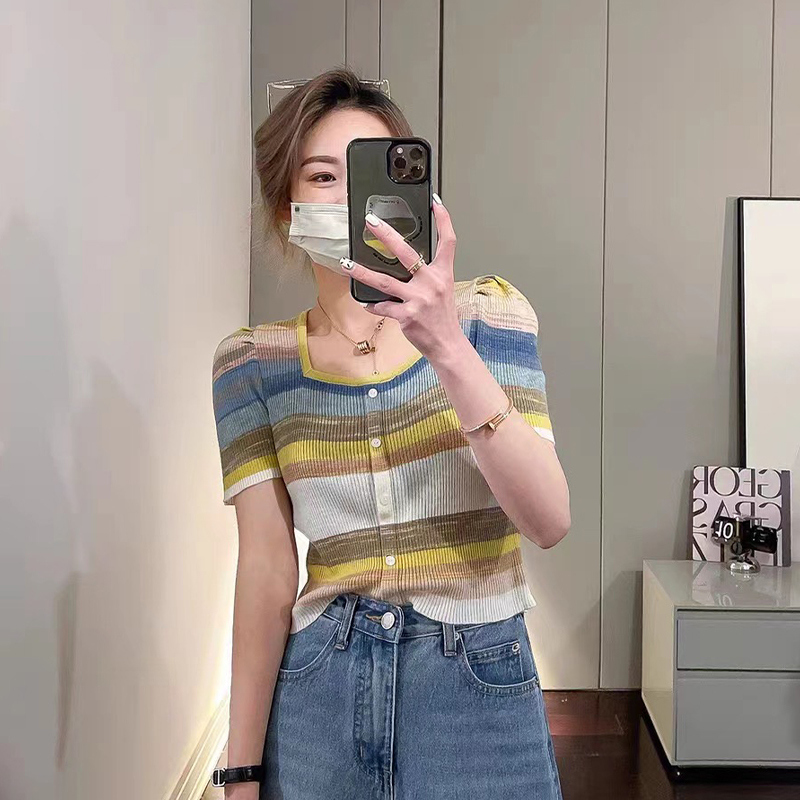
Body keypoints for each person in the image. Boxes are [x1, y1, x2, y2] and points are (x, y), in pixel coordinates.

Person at [211, 66, 571, 800]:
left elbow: (548, 520)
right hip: (321, 688)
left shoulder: (488, 317)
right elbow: (267, 570)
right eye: (321, 176)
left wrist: (447, 346)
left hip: (477, 686)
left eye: (369, 175)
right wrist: (240, 770)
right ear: (285, 207)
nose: (347, 199)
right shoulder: (250, 365)